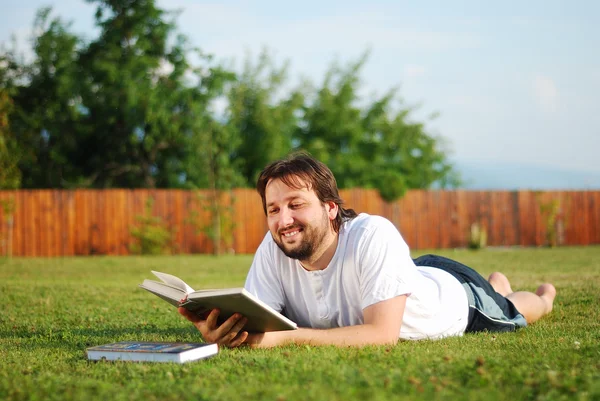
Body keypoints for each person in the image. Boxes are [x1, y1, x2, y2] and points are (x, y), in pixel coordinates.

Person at [178, 153, 556, 348]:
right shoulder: (274, 246)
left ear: (330, 207)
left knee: (519, 310)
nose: (283, 219)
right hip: (404, 276)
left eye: (296, 204)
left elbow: (381, 335)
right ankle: (497, 283)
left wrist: (285, 339)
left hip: (452, 296)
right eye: (273, 209)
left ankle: (532, 293)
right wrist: (223, 331)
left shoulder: (373, 234)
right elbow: (261, 322)